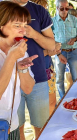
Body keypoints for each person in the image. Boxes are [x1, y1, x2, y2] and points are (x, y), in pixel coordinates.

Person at [12, 0, 55, 139]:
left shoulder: (39, 10)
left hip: (38, 78)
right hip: (9, 82)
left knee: (41, 128)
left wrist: (34, 34)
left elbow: (51, 45)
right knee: (15, 130)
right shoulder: (3, 8)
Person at [0, 1, 38, 139]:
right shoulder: (15, 53)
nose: (23, 30)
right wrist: (11, 59)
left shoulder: (19, 50)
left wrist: (22, 70)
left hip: (12, 126)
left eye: (24, 25)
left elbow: (28, 89)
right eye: (17, 26)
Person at [31, 0, 61, 116]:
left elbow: (51, 43)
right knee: (42, 107)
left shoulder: (45, 21)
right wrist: (47, 51)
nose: (44, 11)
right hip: (35, 71)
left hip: (47, 67)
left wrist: (55, 50)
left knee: (51, 102)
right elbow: (25, 54)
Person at [52, 0, 77, 99]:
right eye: (62, 8)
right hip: (60, 52)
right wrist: (57, 53)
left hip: (74, 51)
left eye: (67, 8)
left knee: (76, 77)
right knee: (59, 79)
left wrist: (75, 39)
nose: (65, 11)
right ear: (57, 8)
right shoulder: (52, 21)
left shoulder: (74, 20)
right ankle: (63, 99)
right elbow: (50, 39)